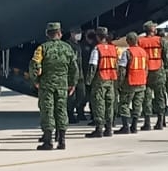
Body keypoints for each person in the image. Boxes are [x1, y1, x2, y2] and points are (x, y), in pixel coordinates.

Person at [28, 22, 79, 150]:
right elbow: (74, 68)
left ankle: (48, 141)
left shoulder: (42, 48)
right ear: (60, 33)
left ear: (47, 34)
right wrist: (72, 83)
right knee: (61, 110)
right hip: (62, 85)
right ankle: (62, 141)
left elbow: (34, 65)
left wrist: (35, 81)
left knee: (47, 111)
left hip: (47, 86)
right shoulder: (68, 48)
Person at [84, 27, 117, 138]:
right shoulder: (113, 48)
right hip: (111, 79)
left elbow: (93, 66)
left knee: (99, 103)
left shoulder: (97, 49)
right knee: (109, 104)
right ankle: (109, 128)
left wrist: (88, 81)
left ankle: (99, 129)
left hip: (100, 79)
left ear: (98, 37)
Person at [115, 32, 149, 134]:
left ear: (128, 41)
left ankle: (126, 126)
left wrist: (119, 83)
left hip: (130, 82)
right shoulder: (143, 52)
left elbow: (122, 69)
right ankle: (134, 126)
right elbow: (146, 68)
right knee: (137, 104)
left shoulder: (127, 53)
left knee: (124, 104)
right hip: (141, 82)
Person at [136, 21, 165, 130]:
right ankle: (160, 121)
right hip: (158, 70)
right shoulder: (160, 40)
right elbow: (165, 55)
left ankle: (147, 122)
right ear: (153, 30)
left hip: (146, 70)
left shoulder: (140, 41)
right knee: (160, 95)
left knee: (146, 97)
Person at [67, 27, 88, 124]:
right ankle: (70, 114)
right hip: (72, 76)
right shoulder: (68, 45)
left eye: (79, 33)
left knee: (82, 95)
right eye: (76, 33)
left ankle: (78, 111)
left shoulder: (79, 45)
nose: (79, 35)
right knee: (72, 97)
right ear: (71, 33)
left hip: (80, 75)